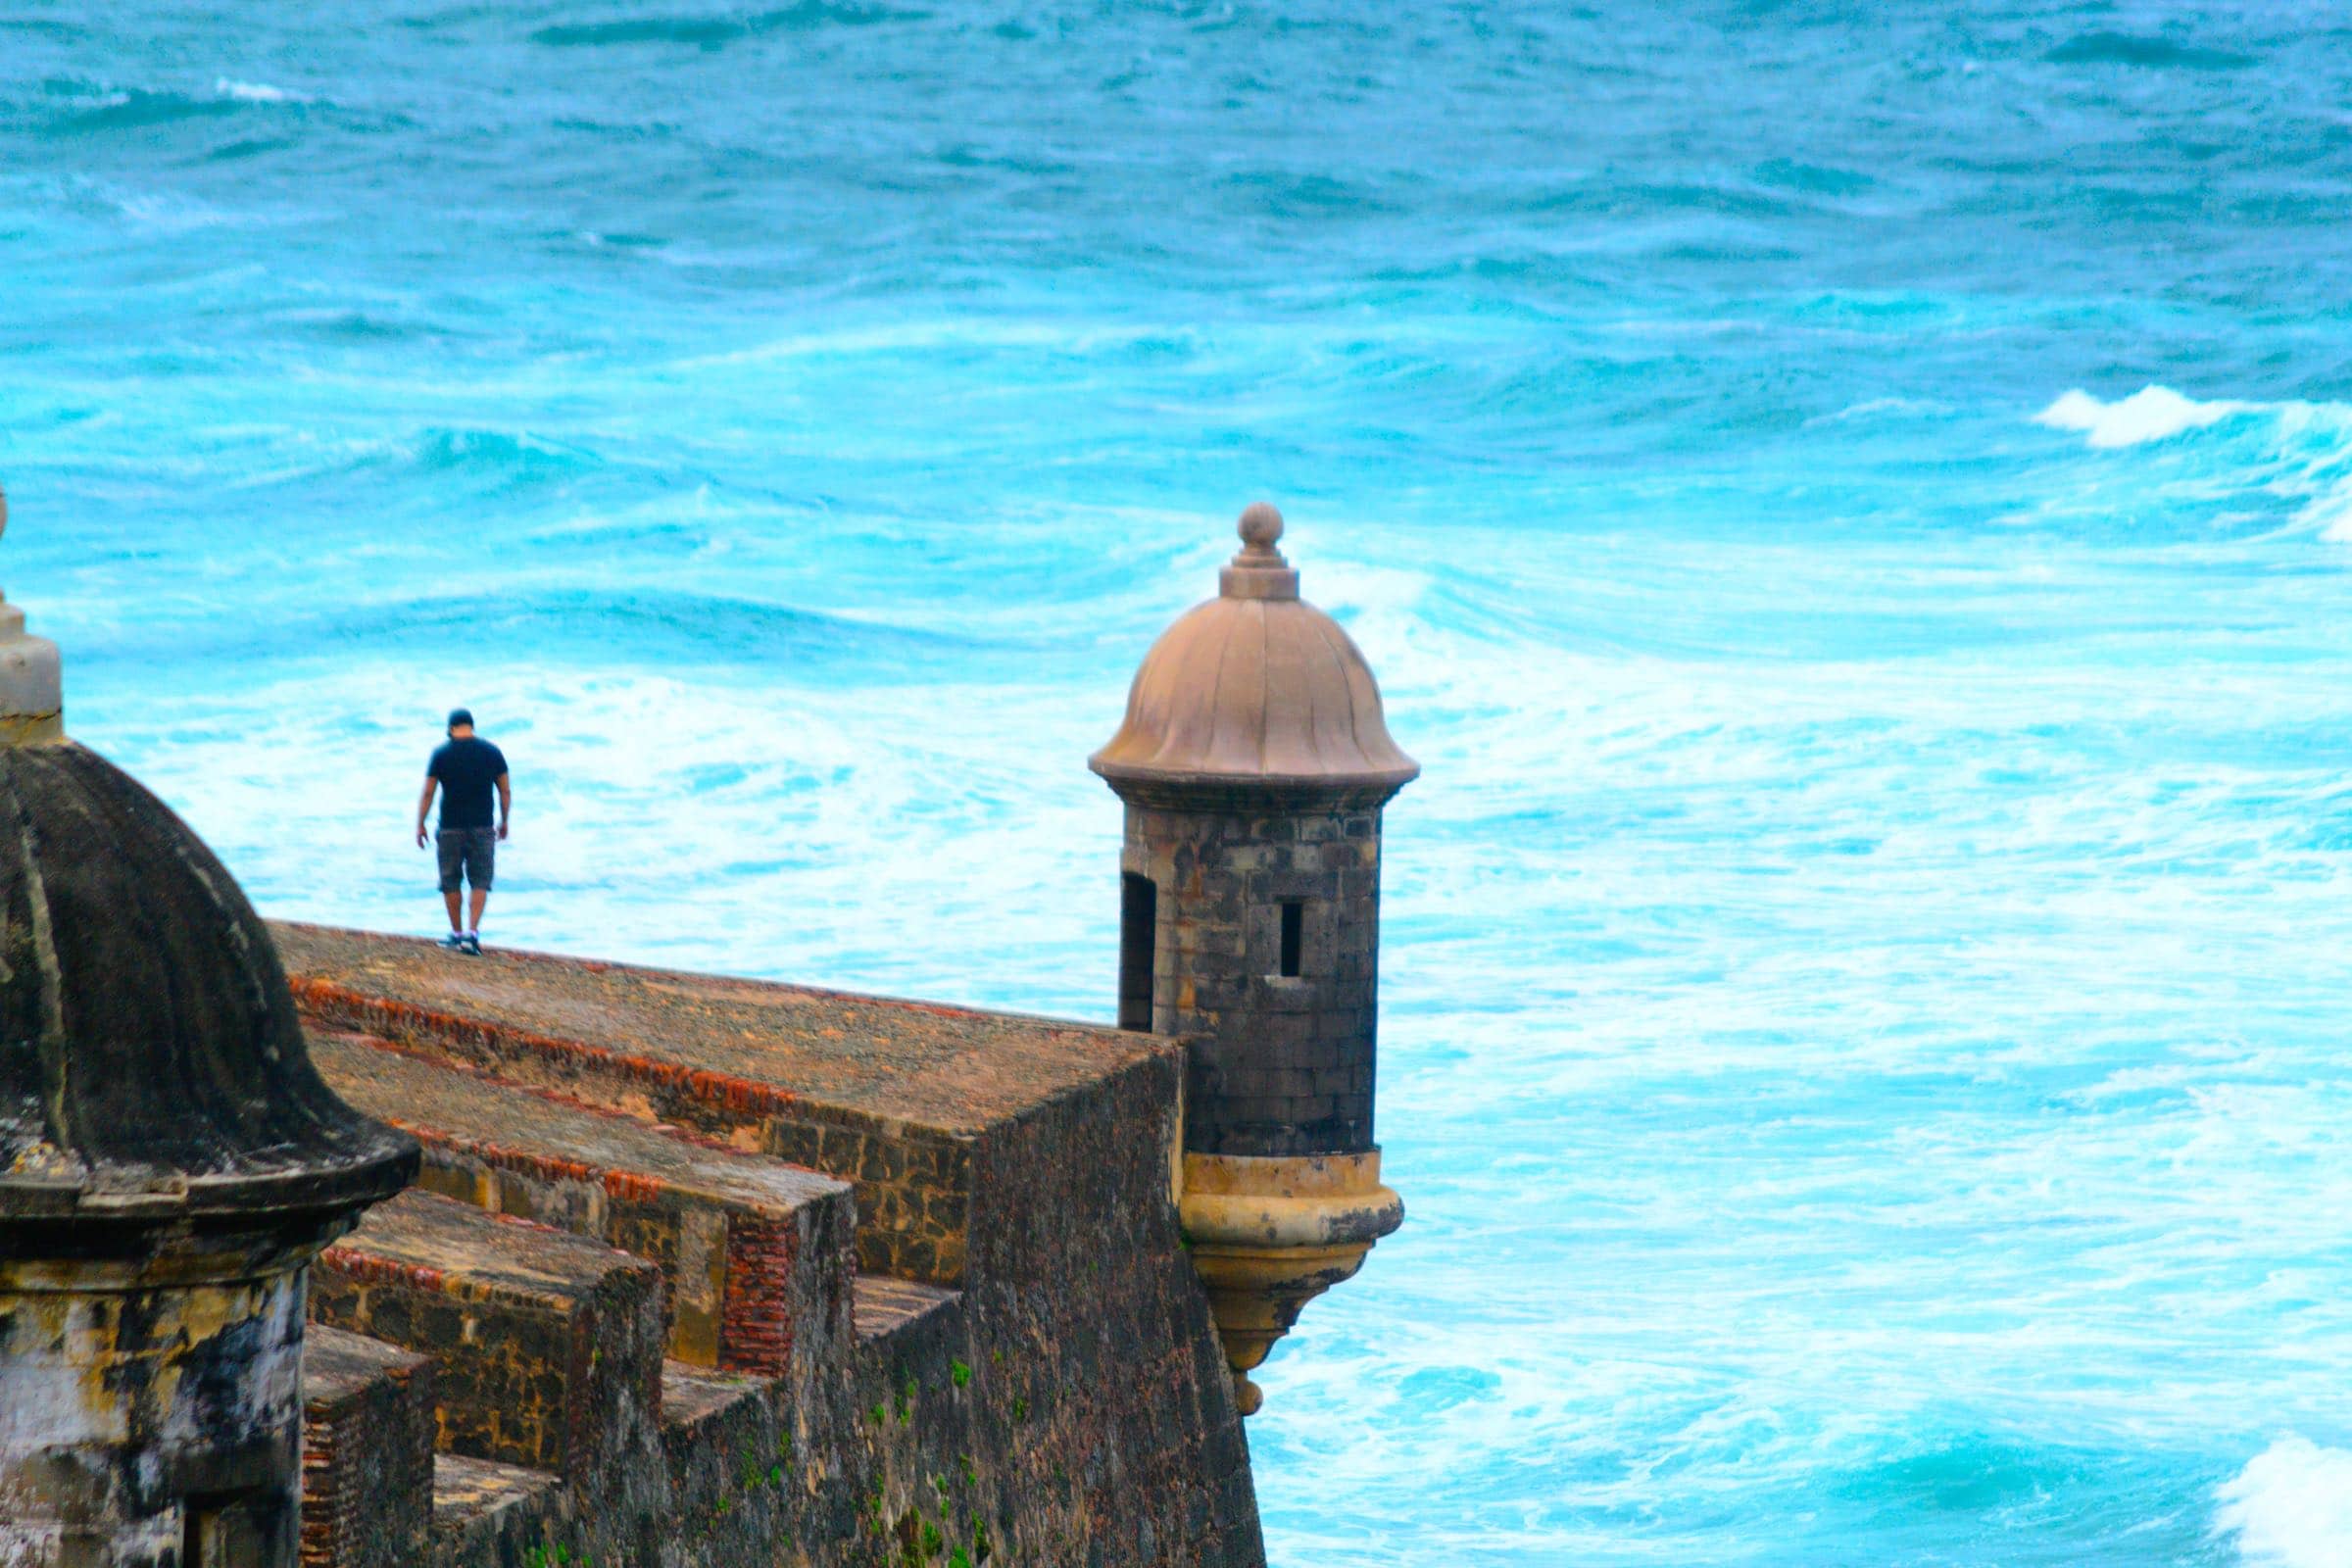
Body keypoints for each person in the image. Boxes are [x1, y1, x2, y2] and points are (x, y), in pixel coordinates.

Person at [416, 709, 510, 955]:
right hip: (482, 826)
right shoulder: (492, 752)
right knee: (480, 880)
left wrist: (420, 823)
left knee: (450, 880)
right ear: (471, 726)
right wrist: (504, 821)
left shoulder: (441, 753)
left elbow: (428, 792)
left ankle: (457, 935)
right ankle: (472, 934)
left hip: (449, 827)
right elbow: (505, 791)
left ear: (450, 728)